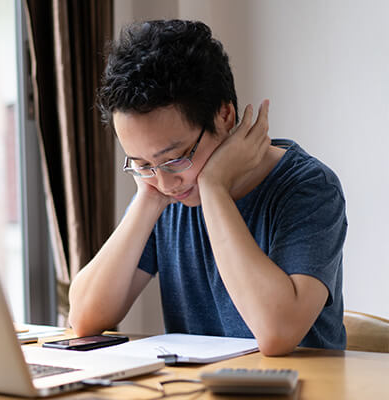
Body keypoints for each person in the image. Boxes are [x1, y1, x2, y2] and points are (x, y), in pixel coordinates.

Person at [68, 19, 347, 356]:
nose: (166, 183)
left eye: (175, 158)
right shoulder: (162, 191)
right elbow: (83, 319)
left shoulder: (309, 188)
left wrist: (215, 187)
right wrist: (146, 198)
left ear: (224, 116)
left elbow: (276, 333)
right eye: (141, 165)